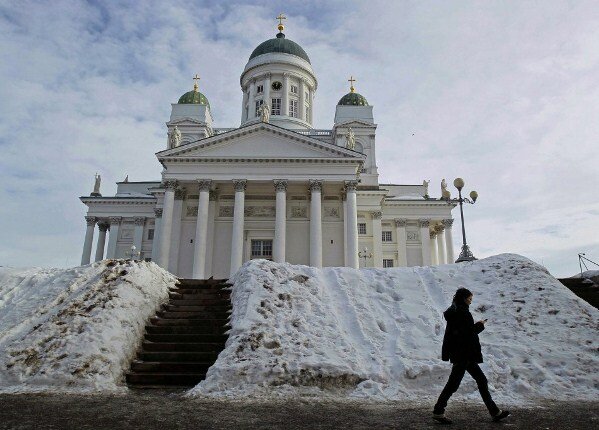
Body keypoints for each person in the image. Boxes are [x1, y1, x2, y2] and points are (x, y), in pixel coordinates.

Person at [433, 288, 510, 424]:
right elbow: (468, 334)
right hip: (465, 355)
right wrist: (480, 325)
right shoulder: (463, 313)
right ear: (463, 299)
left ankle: (494, 412)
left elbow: (460, 333)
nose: (470, 301)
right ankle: (438, 411)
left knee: (477, 381)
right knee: (455, 384)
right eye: (469, 299)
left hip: (461, 354)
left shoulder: (455, 311)